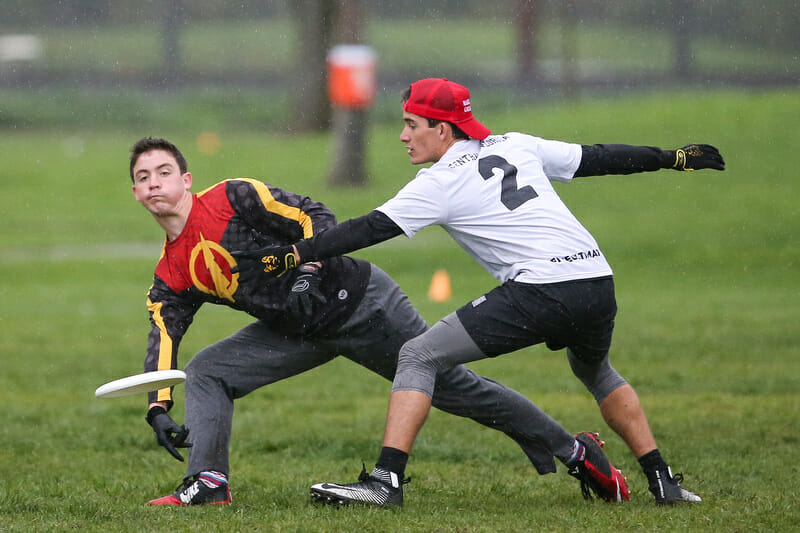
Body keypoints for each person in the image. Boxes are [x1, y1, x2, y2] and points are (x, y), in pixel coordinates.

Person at [232, 78, 725, 507]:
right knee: (595, 370)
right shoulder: (516, 144)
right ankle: (663, 482)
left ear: (442, 130)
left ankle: (385, 482)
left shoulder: (440, 181)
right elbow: (596, 158)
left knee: (419, 356)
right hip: (597, 281)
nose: (403, 135)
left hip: (542, 290)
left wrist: (297, 254)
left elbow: (370, 228)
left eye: (411, 124)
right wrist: (670, 158)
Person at [128, 136, 628, 507]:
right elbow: (164, 335)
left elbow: (314, 218)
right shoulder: (170, 273)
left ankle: (577, 453)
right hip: (299, 331)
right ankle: (209, 483)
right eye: (144, 177)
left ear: (186, 179)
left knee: (459, 390)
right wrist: (158, 407)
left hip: (361, 302)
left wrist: (307, 271)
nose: (155, 183)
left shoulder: (234, 197)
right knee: (209, 370)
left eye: (164, 171)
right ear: (135, 193)